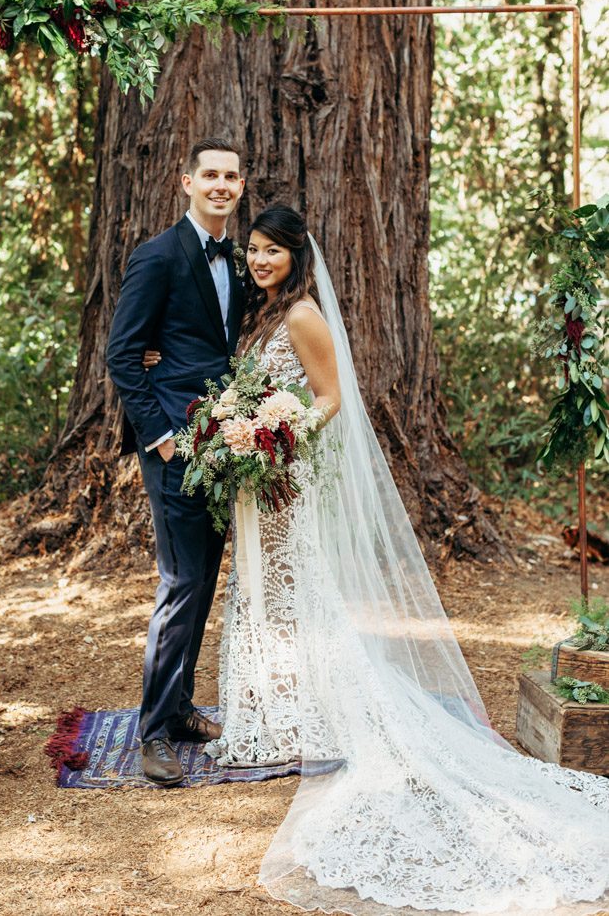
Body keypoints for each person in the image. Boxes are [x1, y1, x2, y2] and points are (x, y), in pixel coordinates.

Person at [149, 204, 609, 916]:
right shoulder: (260, 314)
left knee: (293, 592)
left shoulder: (302, 315)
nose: (260, 261)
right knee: (259, 596)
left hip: (283, 476)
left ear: (297, 255)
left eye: (272, 251)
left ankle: (309, 714)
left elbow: (332, 399)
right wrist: (230, 429)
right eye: (254, 251)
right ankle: (268, 716)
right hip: (252, 482)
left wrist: (278, 436)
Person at [106, 136, 246, 785]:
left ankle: (183, 708)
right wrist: (161, 435)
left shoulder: (240, 263)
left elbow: (219, 349)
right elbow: (122, 354)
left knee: (203, 580)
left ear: (240, 187)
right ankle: (155, 731)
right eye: (209, 175)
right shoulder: (158, 256)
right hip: (173, 447)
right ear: (186, 182)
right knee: (182, 582)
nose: (221, 185)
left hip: (221, 445)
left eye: (231, 177)